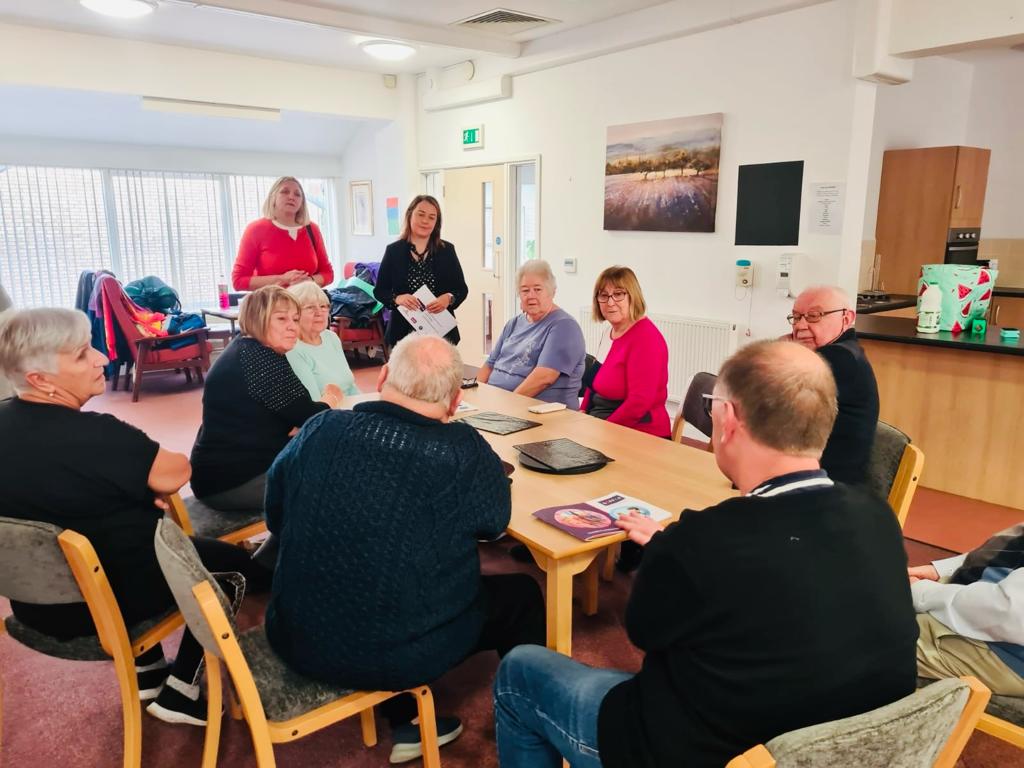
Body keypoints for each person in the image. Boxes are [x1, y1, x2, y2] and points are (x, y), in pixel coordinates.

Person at [493, 340, 918, 768]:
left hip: (694, 749)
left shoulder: (704, 538)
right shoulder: (878, 519)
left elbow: (644, 633)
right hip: (848, 750)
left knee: (520, 672)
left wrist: (670, 553)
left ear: (728, 420)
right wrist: (672, 551)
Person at [263, 334, 545, 764]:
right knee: (521, 596)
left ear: (383, 376)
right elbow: (494, 524)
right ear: (454, 402)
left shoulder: (321, 428)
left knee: (373, 568)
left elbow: (275, 516)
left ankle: (405, 717)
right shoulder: (463, 451)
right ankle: (530, 731)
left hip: (296, 630)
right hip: (394, 651)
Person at [0, 307, 271, 726]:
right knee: (234, 569)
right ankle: (183, 689)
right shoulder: (98, 435)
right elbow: (177, 471)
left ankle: (149, 672)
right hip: (105, 602)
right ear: (40, 379)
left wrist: (136, 490)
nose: (102, 358)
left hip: (37, 607)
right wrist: (147, 488)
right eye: (80, 355)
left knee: (130, 539)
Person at [190, 286, 342, 511]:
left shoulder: (246, 348)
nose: (293, 326)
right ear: (257, 319)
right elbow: (311, 416)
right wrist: (330, 399)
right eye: (282, 319)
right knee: (338, 482)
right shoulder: (260, 359)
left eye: (295, 318)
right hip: (234, 482)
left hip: (220, 472)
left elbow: (289, 413)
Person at [909, 523, 1024, 696]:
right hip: (988, 602)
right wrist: (942, 570)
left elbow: (1009, 613)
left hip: (1003, 649)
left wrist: (922, 592)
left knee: (863, 631)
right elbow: (1015, 544)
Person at [787, 285, 879, 485]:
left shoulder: (840, 358)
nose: (800, 326)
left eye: (814, 316)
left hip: (827, 488)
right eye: (796, 317)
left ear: (846, 318)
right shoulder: (843, 352)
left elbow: (768, 401)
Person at [478, 260, 586, 409]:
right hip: (498, 404)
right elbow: (489, 365)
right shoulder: (514, 323)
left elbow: (544, 378)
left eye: (537, 289)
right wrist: (476, 395)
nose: (531, 296)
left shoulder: (564, 326)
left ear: (552, 291)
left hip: (535, 410)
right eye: (525, 290)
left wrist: (506, 407)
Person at [581, 266, 669, 437]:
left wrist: (603, 431)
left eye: (619, 294)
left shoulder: (646, 338)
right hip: (602, 421)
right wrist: (583, 411)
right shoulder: (609, 332)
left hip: (639, 432)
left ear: (633, 297)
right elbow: (594, 384)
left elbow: (639, 403)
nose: (610, 302)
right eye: (603, 295)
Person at [373, 195, 468, 346]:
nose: (425, 221)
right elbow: (380, 290)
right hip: (402, 334)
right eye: (421, 214)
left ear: (436, 223)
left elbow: (461, 289)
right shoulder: (393, 251)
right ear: (410, 215)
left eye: (432, 217)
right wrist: (397, 299)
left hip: (440, 333)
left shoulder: (447, 250)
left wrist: (448, 298)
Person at [232, 176, 334, 290]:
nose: (291, 197)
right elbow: (238, 281)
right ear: (273, 197)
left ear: (302, 202)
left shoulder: (312, 229)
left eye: (297, 194)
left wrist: (310, 280)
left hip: (308, 304)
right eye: (285, 192)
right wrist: (282, 279)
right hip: (272, 305)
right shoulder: (255, 230)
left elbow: (328, 273)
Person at [285, 281, 359, 400]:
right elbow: (315, 402)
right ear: (295, 314)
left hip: (349, 408)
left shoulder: (331, 337)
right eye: (310, 307)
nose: (319, 313)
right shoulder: (293, 349)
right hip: (325, 413)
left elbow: (350, 385)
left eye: (323, 306)